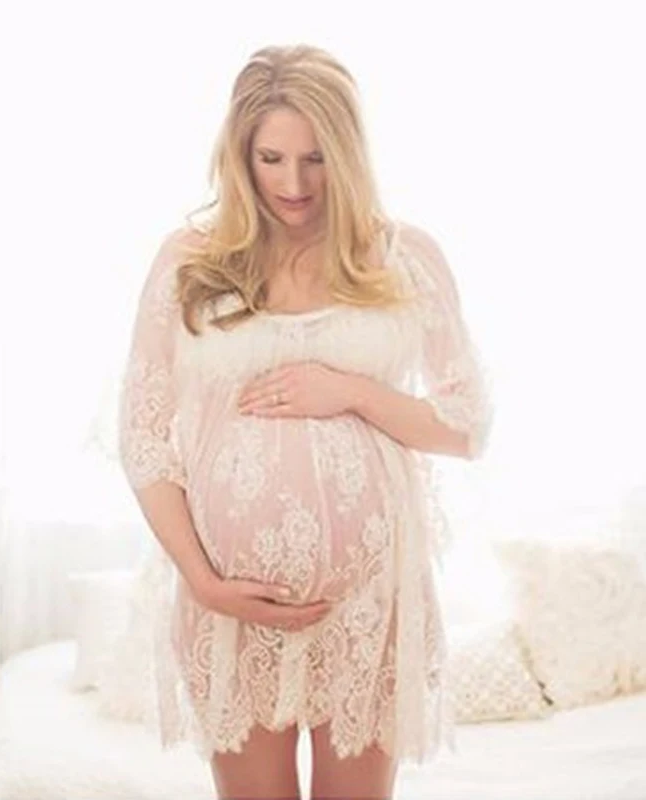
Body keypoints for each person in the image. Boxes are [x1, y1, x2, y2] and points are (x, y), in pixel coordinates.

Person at [88, 43, 494, 800]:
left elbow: (465, 427)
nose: (294, 184)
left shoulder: (403, 257)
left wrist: (353, 391)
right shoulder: (190, 261)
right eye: (271, 158)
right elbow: (143, 437)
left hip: (368, 599)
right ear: (239, 154)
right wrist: (203, 582)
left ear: (349, 154)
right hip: (231, 600)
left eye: (316, 159)